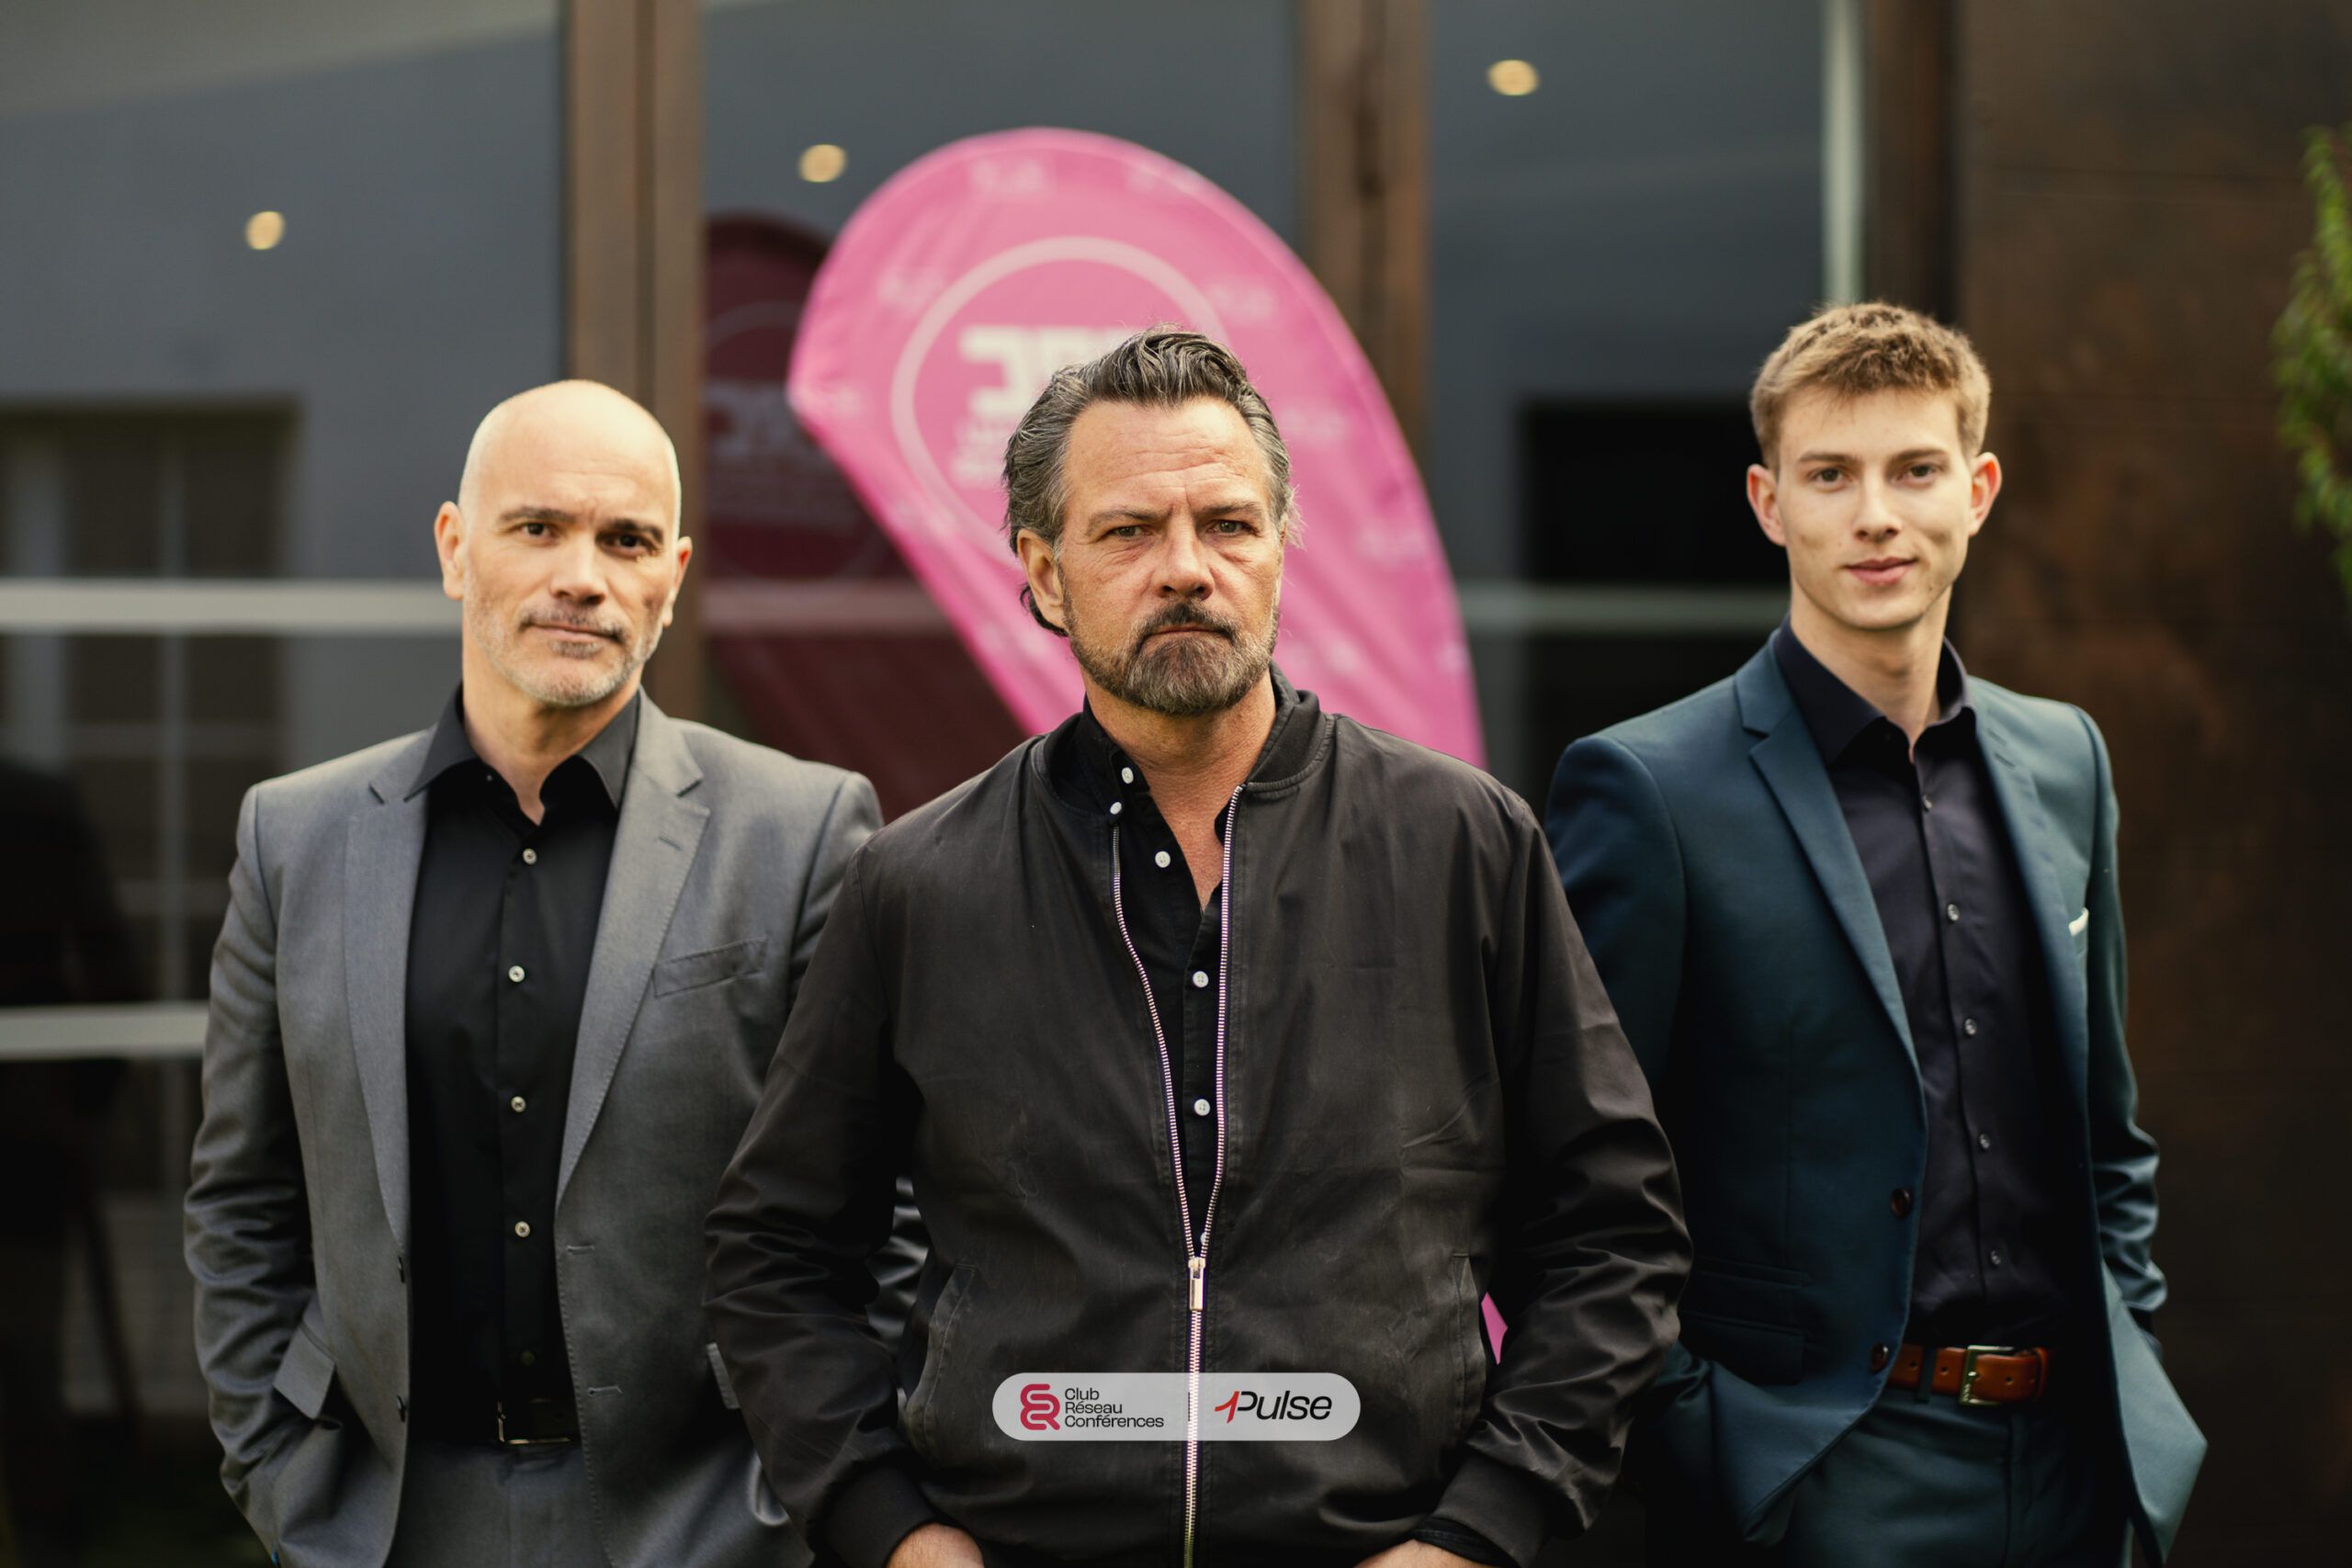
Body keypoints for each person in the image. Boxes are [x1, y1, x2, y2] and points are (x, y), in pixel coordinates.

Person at [707, 328, 1689, 1568]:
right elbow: (776, 1259)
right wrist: (889, 1530)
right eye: (1128, 532)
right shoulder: (918, 885)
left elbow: (1613, 1237)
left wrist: (1486, 1528)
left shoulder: (1465, 846)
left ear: (1281, 548)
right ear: (1044, 572)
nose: (1187, 569)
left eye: (1227, 525)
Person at [184, 380, 883, 1567]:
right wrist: (283, 1474)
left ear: (673, 575)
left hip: (705, 1522)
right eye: (538, 528)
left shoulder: (802, 833)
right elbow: (244, 1202)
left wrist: (798, 1497)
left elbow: (877, 1213)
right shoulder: (294, 840)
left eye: (626, 541)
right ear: (456, 549)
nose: (582, 577)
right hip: (384, 1524)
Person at [1546, 302, 2204, 1564]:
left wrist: (2133, 1346)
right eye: (1830, 476)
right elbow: (1569, 1178)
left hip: (2080, 1466)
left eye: (1913, 470)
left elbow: (2108, 1132)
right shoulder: (1650, 790)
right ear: (1768, 502)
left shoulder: (2065, 760)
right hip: (1820, 1480)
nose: (1875, 516)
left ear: (1979, 489)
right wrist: (1703, 1444)